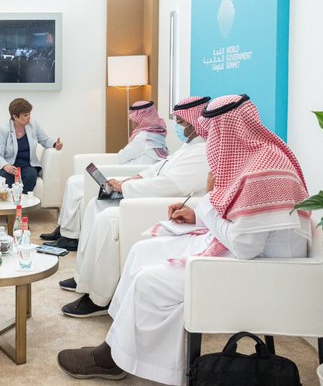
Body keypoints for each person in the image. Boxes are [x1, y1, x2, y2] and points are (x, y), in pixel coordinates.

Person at [57, 94, 312, 384]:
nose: (210, 140)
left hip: (260, 275)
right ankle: (116, 346)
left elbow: (244, 245)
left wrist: (207, 203)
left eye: (213, 131)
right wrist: (198, 215)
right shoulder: (255, 160)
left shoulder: (262, 172)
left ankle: (119, 360)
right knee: (142, 251)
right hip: (248, 259)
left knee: (150, 281)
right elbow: (241, 223)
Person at [58, 96, 210, 317]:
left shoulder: (202, 152)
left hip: (169, 207)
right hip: (152, 197)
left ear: (193, 122)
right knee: (95, 204)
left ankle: (99, 298)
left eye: (180, 121)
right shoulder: (190, 146)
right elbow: (159, 168)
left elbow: (170, 185)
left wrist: (126, 188)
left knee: (107, 218)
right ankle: (84, 277)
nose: (177, 126)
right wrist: (130, 180)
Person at [41, 100, 169, 250]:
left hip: (125, 179)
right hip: (126, 174)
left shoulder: (144, 137)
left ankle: (69, 237)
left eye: (133, 118)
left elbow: (121, 157)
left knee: (73, 182)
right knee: (73, 182)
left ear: (141, 118)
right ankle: (64, 230)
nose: (132, 122)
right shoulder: (157, 134)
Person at [0, 98, 63, 193]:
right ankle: (11, 200)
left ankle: (22, 200)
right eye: (25, 115)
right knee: (4, 177)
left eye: (29, 114)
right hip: (9, 165)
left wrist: (55, 144)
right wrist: (6, 166)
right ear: (15, 117)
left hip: (27, 165)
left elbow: (44, 140)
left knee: (31, 176)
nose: (29, 117)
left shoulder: (33, 125)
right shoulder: (3, 130)